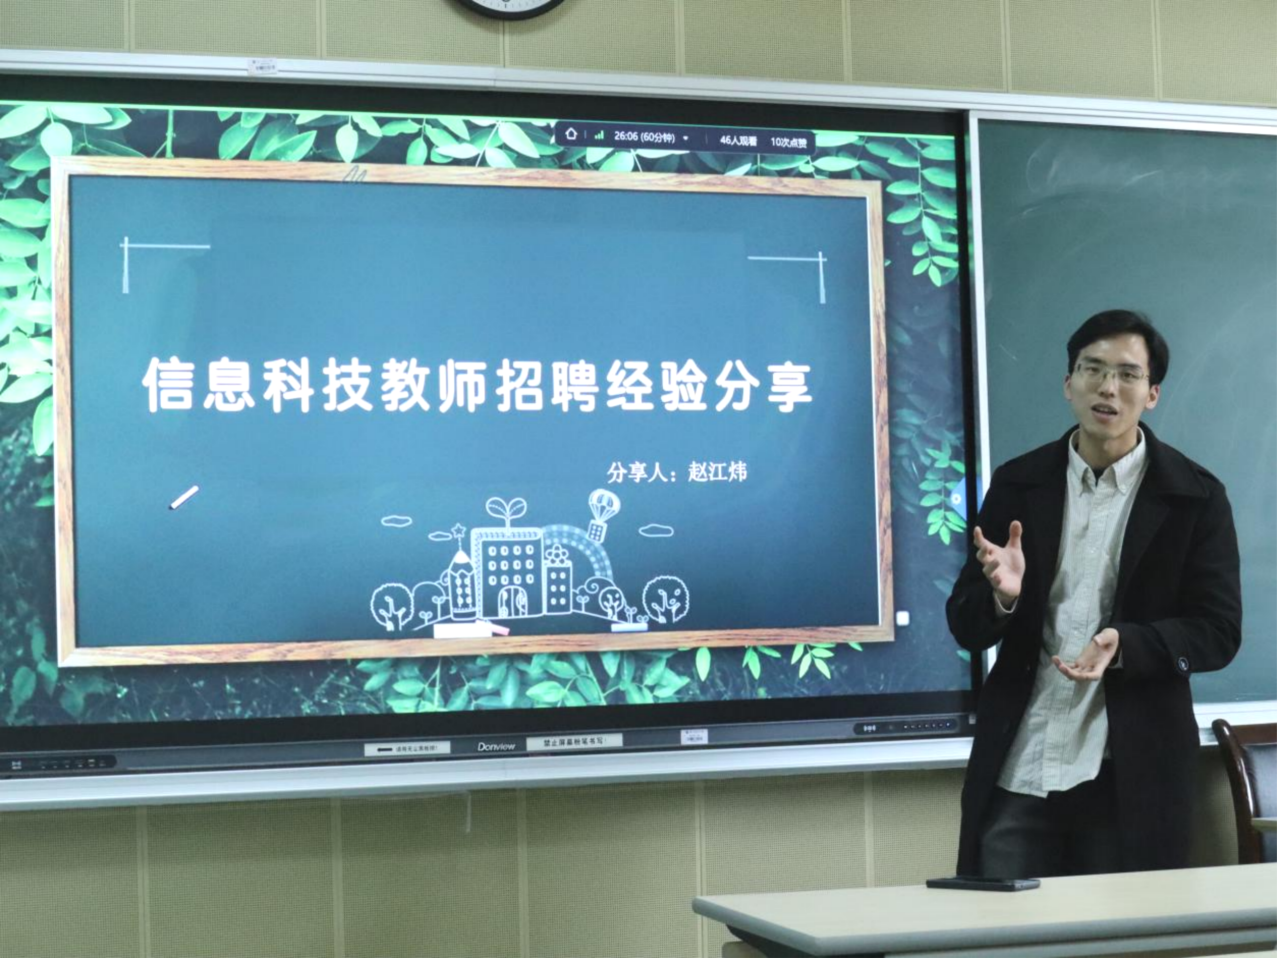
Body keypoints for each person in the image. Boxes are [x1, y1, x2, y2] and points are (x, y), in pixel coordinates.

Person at [947, 309, 1241, 878]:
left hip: (1131, 772)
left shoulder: (1195, 497)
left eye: (1128, 374)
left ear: (1152, 394)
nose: (1108, 387)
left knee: (1122, 925)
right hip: (1022, 763)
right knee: (1000, 923)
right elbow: (966, 623)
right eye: (1093, 369)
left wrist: (1126, 644)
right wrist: (1003, 597)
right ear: (1069, 383)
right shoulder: (1018, 483)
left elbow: (1218, 632)